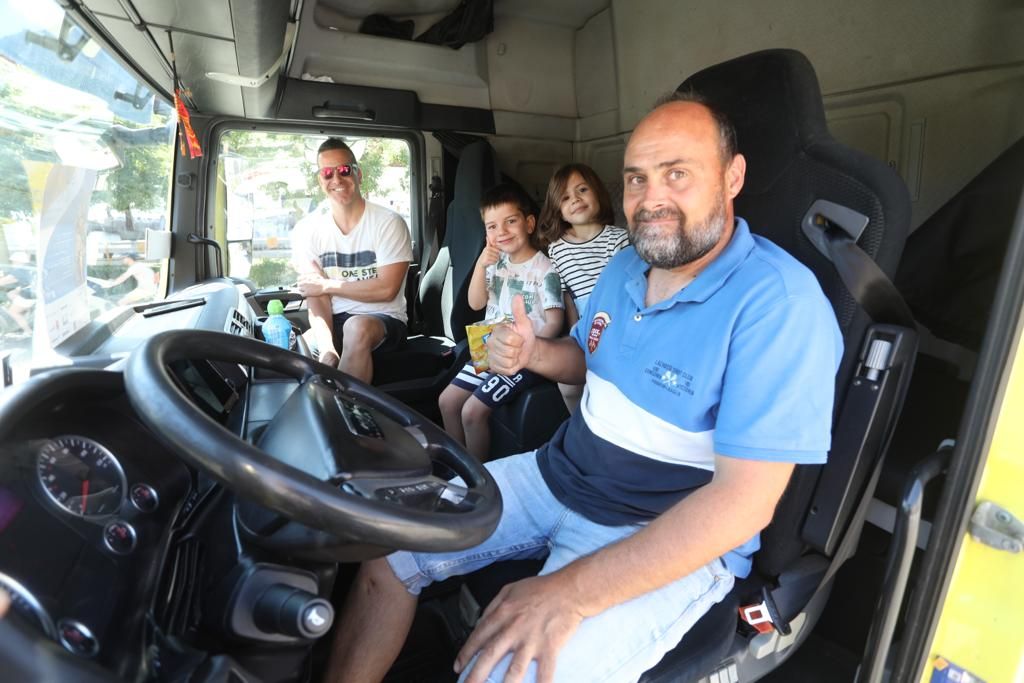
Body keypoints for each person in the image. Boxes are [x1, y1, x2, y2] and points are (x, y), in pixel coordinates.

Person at [324, 93, 843, 683]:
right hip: (559, 471)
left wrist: (565, 593)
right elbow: (587, 360)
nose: (652, 200)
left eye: (678, 174)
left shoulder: (778, 304)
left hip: (657, 529)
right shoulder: (625, 266)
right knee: (389, 549)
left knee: (502, 672)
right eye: (637, 179)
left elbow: (742, 503)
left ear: (733, 177)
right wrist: (534, 353)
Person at [438, 183, 564, 460]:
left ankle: (480, 476)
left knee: (472, 412)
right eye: (492, 227)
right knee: (447, 402)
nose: (502, 232)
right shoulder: (495, 263)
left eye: (510, 221)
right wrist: (482, 265)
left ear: (529, 224)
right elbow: (475, 303)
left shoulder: (546, 269)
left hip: (522, 356)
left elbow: (555, 321)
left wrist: (526, 345)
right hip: (488, 349)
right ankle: (458, 464)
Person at [292, 137, 413, 383]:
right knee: (292, 349)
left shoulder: (388, 223)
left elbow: (386, 290)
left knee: (355, 328)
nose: (336, 179)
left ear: (358, 174)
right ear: (320, 180)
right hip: (334, 321)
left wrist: (327, 285)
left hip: (384, 321)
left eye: (344, 170)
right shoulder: (307, 229)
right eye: (327, 173)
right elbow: (316, 296)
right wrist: (327, 350)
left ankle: (346, 413)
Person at [537, 163, 629, 415]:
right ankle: (578, 424)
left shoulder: (618, 238)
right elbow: (566, 294)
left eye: (582, 190)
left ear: (597, 193)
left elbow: (625, 289)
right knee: (567, 386)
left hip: (616, 318)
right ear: (559, 210)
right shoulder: (557, 248)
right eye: (565, 197)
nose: (575, 199)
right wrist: (573, 330)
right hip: (582, 323)